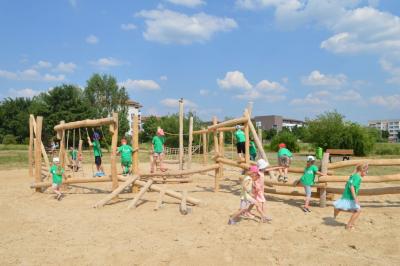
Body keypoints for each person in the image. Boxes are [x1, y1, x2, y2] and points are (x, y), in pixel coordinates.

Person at [333, 163, 368, 230]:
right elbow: (351, 187)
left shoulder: (353, 175)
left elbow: (346, 184)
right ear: (362, 170)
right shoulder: (358, 178)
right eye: (367, 171)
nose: (366, 173)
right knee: (358, 210)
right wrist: (355, 198)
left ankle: (337, 209)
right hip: (350, 197)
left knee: (352, 210)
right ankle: (349, 225)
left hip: (345, 196)